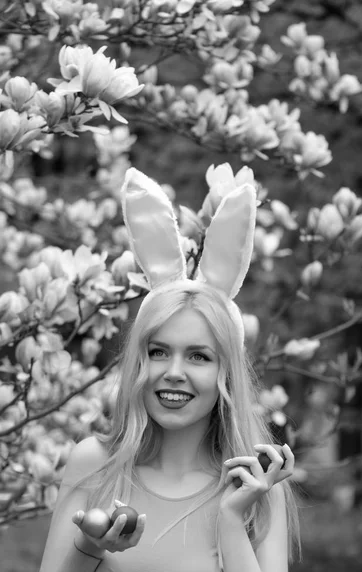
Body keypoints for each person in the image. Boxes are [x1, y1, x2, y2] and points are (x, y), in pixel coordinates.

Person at [39, 169, 301, 572]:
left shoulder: (259, 489)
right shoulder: (94, 464)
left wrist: (231, 521)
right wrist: (88, 547)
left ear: (226, 373)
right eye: (159, 352)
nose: (174, 372)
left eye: (198, 356)